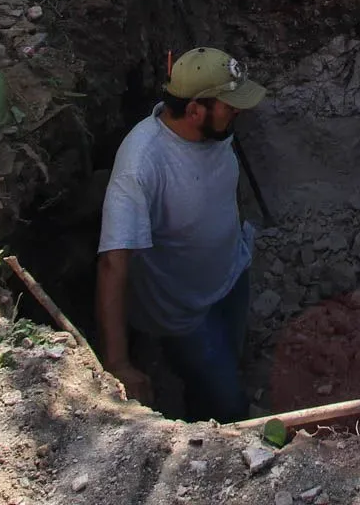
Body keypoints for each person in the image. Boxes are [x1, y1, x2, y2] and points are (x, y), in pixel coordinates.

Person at [96, 46, 266, 422]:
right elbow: (113, 264)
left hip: (231, 277)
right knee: (228, 408)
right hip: (185, 314)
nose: (238, 111)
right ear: (194, 110)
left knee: (230, 361)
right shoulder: (143, 164)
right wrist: (118, 362)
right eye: (229, 104)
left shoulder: (215, 132)